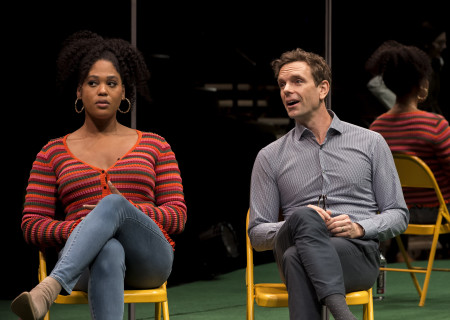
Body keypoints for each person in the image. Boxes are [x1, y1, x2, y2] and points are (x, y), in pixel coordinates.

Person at [11, 30, 187, 320]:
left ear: (124, 92)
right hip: (84, 265)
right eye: (93, 83)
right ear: (79, 91)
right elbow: (32, 225)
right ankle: (60, 279)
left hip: (150, 261)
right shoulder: (51, 153)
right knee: (109, 248)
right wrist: (86, 228)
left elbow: (177, 215)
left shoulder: (156, 145)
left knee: (114, 204)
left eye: (111, 83)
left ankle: (48, 289)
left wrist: (125, 212)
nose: (102, 90)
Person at [248, 48, 409, 320]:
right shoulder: (269, 156)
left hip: (354, 253)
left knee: (295, 258)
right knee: (303, 218)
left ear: (323, 88)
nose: (286, 90)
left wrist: (360, 227)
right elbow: (257, 234)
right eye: (282, 84)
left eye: (297, 81)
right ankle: (342, 314)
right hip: (295, 242)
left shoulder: (370, 143)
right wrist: (300, 223)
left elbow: (398, 214)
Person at [369, 40, 450, 261]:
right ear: (421, 84)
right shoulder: (436, 125)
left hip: (395, 214)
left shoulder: (377, 128)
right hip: (438, 214)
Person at [365, 20, 447, 118]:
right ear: (428, 43)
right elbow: (374, 84)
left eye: (444, 42)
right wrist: (405, 109)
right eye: (440, 43)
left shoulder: (437, 63)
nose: (444, 46)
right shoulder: (410, 64)